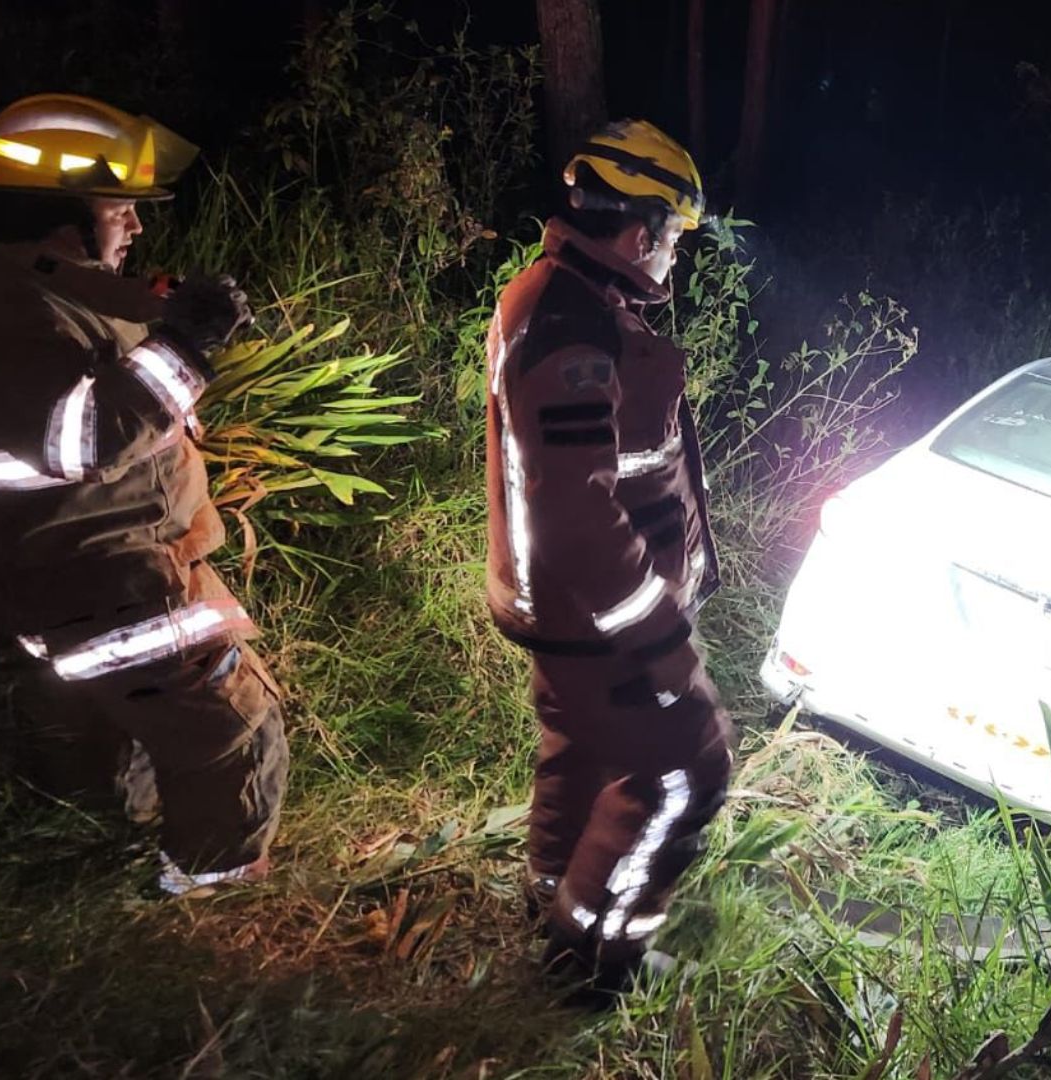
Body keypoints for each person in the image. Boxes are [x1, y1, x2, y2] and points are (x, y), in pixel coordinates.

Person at [0, 94, 286, 896]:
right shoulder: (5, 312)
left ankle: (108, 887)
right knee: (234, 732)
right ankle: (214, 910)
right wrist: (185, 347)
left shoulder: (51, 288)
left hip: (90, 572)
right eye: (121, 208)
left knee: (117, 752)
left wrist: (170, 320)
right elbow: (80, 438)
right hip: (100, 575)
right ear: (62, 214)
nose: (136, 226)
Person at [482, 119, 730, 999]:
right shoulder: (574, 329)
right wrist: (658, 635)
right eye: (673, 238)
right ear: (639, 234)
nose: (674, 257)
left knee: (582, 755)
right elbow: (577, 511)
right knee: (681, 770)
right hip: (603, 617)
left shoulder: (571, 302)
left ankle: (554, 899)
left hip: (570, 613)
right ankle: (591, 963)